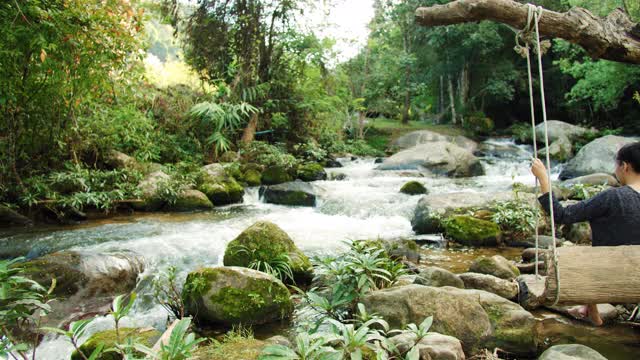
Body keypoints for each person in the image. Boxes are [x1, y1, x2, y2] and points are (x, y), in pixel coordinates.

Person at [531, 141, 640, 326]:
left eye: (616, 164)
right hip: (634, 277)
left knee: (595, 255)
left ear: (625, 166)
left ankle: (593, 312)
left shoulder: (613, 197)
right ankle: (591, 310)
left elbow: (562, 215)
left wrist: (544, 179)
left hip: (609, 278)